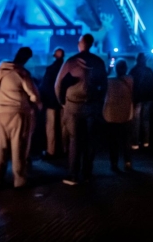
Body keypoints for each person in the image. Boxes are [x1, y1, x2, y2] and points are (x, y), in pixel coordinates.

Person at [55, 34, 107, 186]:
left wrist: (62, 102)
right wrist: (100, 103)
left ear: (80, 44)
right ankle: (87, 173)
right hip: (92, 106)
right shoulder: (98, 62)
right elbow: (104, 85)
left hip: (73, 106)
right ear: (91, 44)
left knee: (74, 140)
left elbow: (58, 85)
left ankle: (73, 175)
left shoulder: (70, 62)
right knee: (90, 140)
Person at [0, 47, 41, 189]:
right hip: (18, 112)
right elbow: (34, 94)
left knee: (1, 145)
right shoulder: (22, 73)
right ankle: (19, 179)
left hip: (1, 111)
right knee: (19, 145)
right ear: (26, 59)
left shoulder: (0, 70)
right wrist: (37, 104)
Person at [104, 60, 134, 171]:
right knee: (126, 141)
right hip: (126, 114)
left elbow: (105, 94)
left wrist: (109, 70)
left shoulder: (109, 81)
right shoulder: (130, 80)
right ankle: (127, 162)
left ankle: (114, 163)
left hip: (111, 115)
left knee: (113, 141)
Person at [39, 48, 65, 160]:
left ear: (54, 56)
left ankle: (51, 151)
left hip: (51, 102)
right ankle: (65, 150)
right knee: (64, 129)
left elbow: (45, 86)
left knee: (51, 128)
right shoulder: (67, 69)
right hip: (64, 103)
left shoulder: (50, 69)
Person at [129, 52, 153, 149]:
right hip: (148, 98)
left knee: (136, 120)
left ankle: (135, 142)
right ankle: (146, 141)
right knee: (146, 120)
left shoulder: (133, 71)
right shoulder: (149, 70)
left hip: (137, 98)